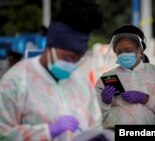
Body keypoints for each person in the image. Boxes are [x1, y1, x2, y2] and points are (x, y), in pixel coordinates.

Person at [0, 0, 104, 140]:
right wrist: (47, 131)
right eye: (67, 58)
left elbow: (96, 126)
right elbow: (3, 134)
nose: (72, 64)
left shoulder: (81, 84)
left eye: (77, 59)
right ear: (49, 47)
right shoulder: (15, 82)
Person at [94, 25, 155, 127]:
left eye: (128, 50)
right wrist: (104, 103)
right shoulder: (106, 78)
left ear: (140, 50)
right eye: (119, 52)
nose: (123, 54)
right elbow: (93, 117)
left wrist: (146, 99)